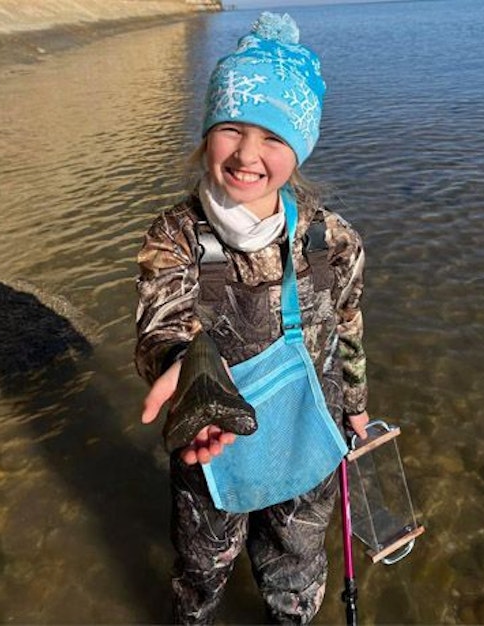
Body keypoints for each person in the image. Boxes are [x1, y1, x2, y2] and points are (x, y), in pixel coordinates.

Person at [134, 12, 371, 624]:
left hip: (308, 434)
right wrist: (184, 369)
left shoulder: (332, 240)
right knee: (201, 569)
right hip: (209, 441)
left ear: (300, 147)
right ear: (206, 133)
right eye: (231, 129)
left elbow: (347, 323)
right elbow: (162, 325)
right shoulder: (176, 236)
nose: (246, 155)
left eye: (273, 137)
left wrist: (356, 407)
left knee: (296, 565)